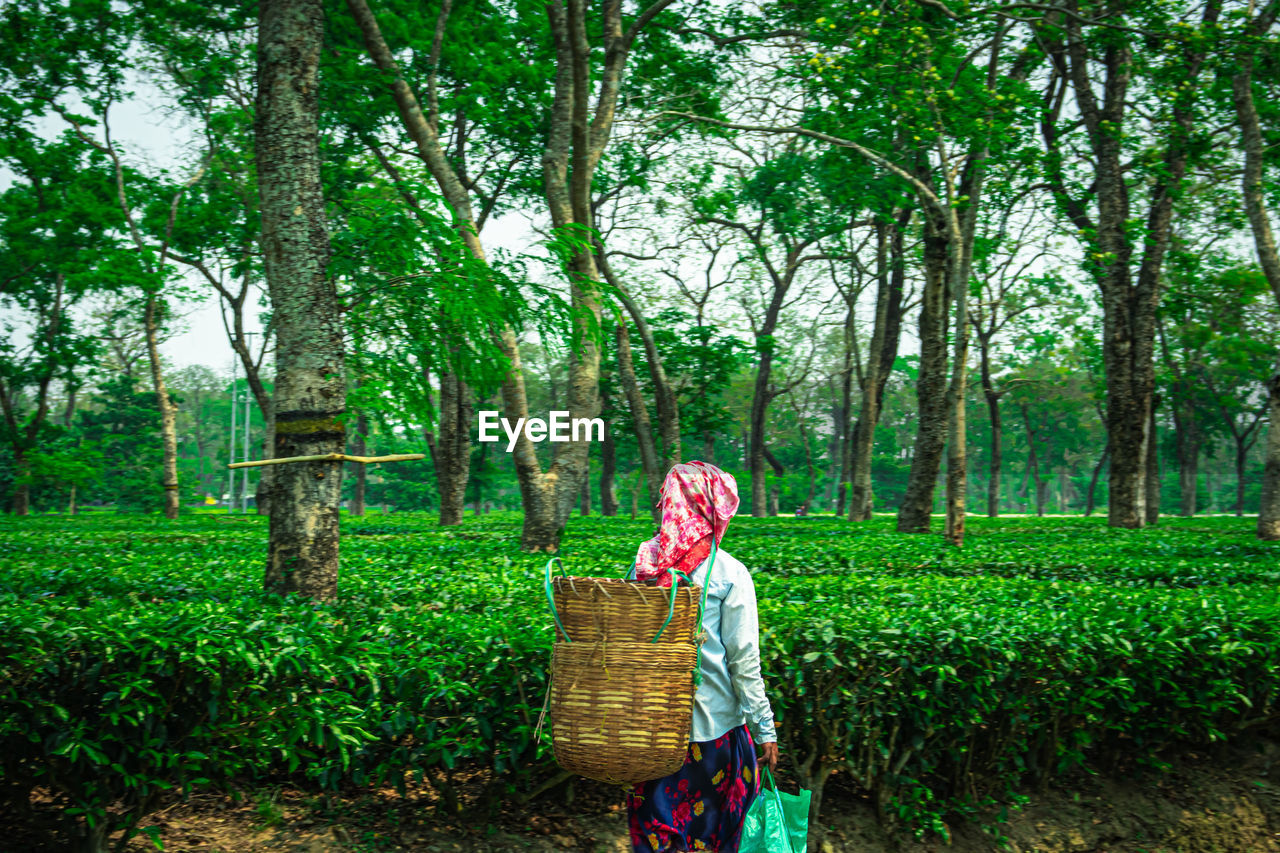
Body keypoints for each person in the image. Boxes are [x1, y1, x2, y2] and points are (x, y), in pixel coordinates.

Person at [627, 460, 779, 853]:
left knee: (659, 837)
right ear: (711, 507)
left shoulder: (643, 565)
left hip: (650, 735)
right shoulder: (729, 573)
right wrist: (764, 727)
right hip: (713, 737)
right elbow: (744, 662)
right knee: (716, 839)